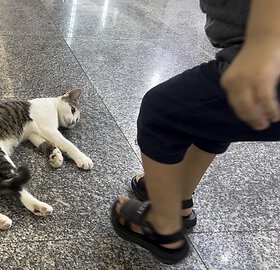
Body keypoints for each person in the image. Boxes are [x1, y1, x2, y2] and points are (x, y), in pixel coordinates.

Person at [110, 0, 280, 265]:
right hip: (250, 49)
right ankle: (178, 200)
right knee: (209, 118)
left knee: (160, 113)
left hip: (269, 56)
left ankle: (162, 227)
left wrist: (267, 40)